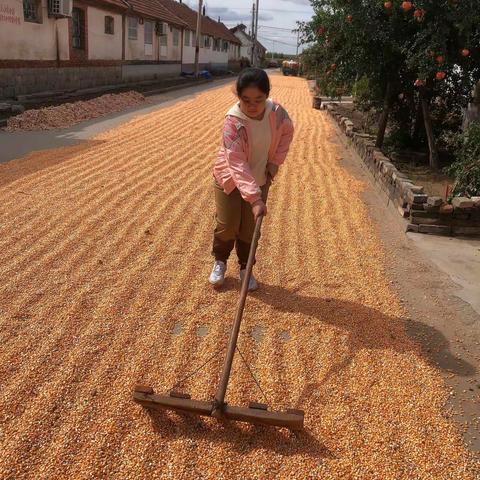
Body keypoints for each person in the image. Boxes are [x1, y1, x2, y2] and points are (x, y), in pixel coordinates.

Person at [209, 68, 294, 290]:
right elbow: (236, 164)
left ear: (267, 96)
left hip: (259, 177)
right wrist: (256, 200)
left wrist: (275, 162)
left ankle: (246, 267)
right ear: (238, 97)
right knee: (228, 225)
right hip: (229, 178)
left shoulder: (277, 112)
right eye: (245, 99)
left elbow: (287, 132)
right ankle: (220, 261)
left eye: (258, 99)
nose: (252, 105)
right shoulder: (232, 123)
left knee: (249, 229)